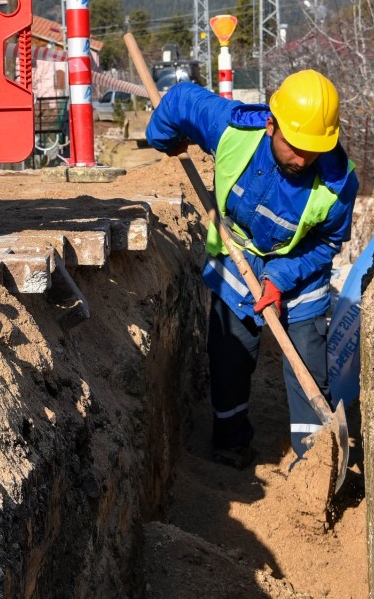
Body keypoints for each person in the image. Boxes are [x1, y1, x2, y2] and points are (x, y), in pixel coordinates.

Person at [146, 70, 358, 469]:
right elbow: (177, 101)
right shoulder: (232, 131)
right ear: (270, 124)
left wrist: (279, 279)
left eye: (314, 150)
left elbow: (328, 243)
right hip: (237, 261)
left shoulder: (338, 184)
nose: (303, 159)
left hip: (299, 274)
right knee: (229, 355)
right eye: (294, 147)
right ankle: (231, 442)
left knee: (307, 367)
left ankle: (312, 461)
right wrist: (164, 139)